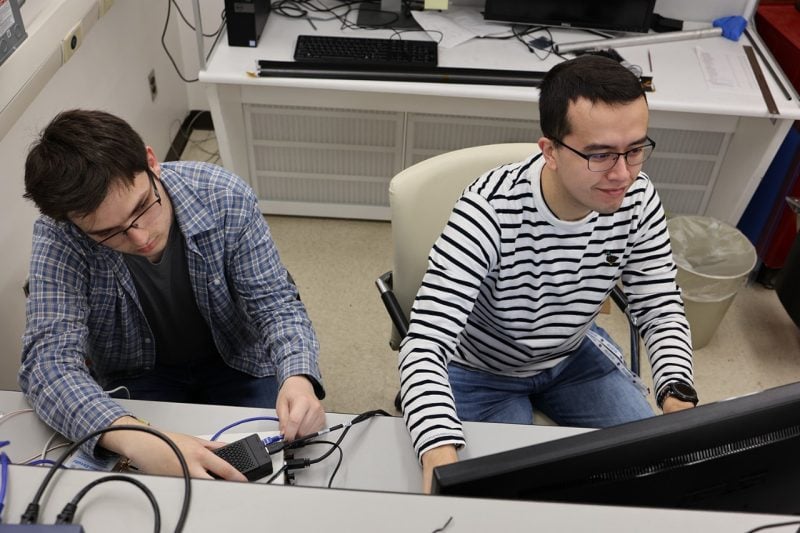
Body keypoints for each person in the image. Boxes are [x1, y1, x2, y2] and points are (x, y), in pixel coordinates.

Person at [398, 55, 698, 492]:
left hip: (572, 356)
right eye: (599, 155)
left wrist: (676, 392)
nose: (623, 174)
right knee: (501, 496)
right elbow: (424, 344)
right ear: (551, 151)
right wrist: (440, 453)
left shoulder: (639, 197)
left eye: (634, 150)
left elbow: (659, 306)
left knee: (657, 469)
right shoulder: (487, 212)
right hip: (481, 370)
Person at [20, 109, 326, 481]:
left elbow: (276, 305)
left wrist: (299, 377)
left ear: (151, 162)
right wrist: (139, 438)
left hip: (237, 362)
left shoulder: (224, 196)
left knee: (277, 473)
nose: (140, 238)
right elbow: (48, 365)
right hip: (139, 375)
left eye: (142, 208)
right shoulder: (60, 237)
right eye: (108, 233)